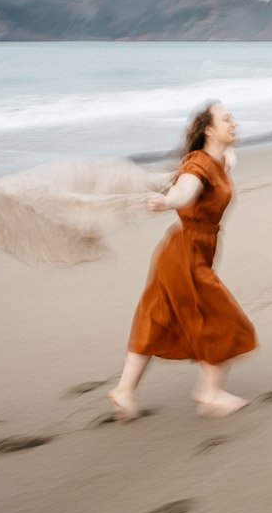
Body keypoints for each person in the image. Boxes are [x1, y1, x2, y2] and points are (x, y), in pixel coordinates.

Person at [107, 101, 257, 419]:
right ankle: (210, 392)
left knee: (155, 318)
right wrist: (167, 201)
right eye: (227, 119)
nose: (235, 123)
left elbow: (222, 164)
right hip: (185, 255)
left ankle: (123, 392)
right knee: (220, 318)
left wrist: (228, 157)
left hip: (183, 251)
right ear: (209, 130)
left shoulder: (218, 159)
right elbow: (185, 191)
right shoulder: (198, 165)